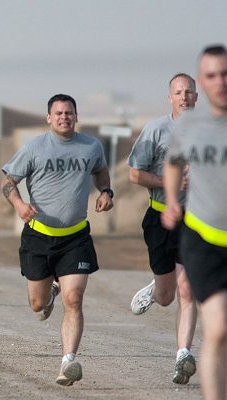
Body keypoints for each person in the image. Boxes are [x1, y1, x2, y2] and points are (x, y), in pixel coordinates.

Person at [0, 94, 113, 386]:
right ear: (49, 118)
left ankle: (68, 361)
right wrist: (19, 204)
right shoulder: (35, 147)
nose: (64, 117)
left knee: (73, 298)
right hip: (39, 236)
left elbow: (101, 171)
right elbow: (8, 181)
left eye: (69, 113)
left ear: (76, 116)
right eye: (58, 113)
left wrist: (105, 192)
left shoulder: (91, 147)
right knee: (37, 305)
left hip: (75, 237)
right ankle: (49, 293)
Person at [162, 44, 227, 400]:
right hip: (203, 238)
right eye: (212, 75)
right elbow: (173, 164)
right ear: (203, 81)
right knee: (217, 327)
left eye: (225, 74)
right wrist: (172, 201)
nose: (220, 82)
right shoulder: (188, 125)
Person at [128, 73, 199, 384]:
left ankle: (183, 354)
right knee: (169, 294)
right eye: (178, 92)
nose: (184, 97)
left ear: (197, 97)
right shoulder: (155, 130)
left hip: (196, 220)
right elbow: (134, 174)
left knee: (188, 289)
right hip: (159, 218)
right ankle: (156, 290)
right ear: (170, 98)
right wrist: (169, 182)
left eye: (189, 92)